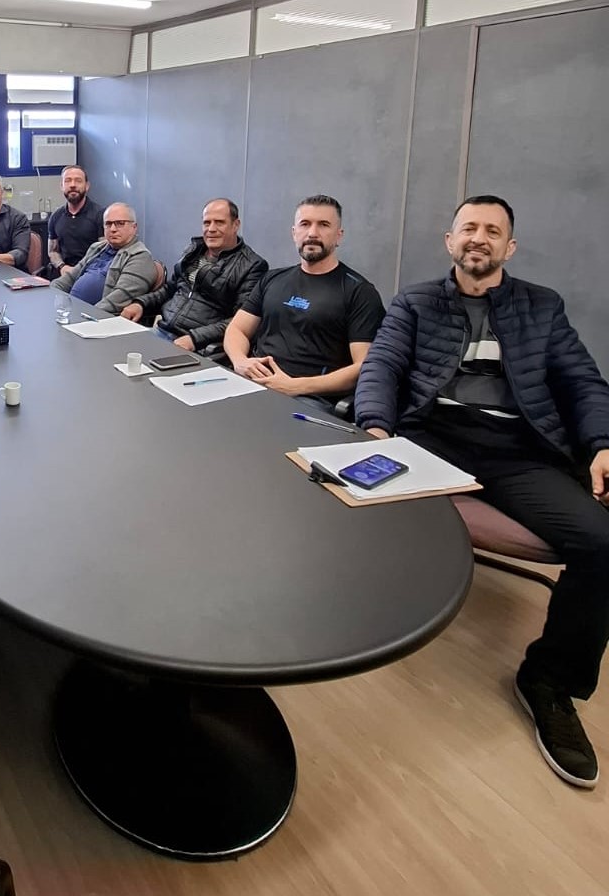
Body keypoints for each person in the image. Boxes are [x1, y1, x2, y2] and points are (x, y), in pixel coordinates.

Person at [355, 195, 609, 788]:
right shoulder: (415, 301)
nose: (479, 238)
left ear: (508, 248)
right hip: (432, 434)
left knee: (601, 541)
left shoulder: (542, 307)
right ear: (450, 241)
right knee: (341, 486)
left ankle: (548, 681)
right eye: (469, 227)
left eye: (493, 231)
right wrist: (375, 429)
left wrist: (601, 444)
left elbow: (583, 382)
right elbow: (383, 366)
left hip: (518, 449)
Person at [223, 194, 384, 402]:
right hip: (252, 382)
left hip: (309, 398)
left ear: (339, 235)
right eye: (305, 224)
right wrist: (240, 361)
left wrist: (294, 386)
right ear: (294, 232)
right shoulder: (272, 278)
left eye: (324, 225)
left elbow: (364, 367)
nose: (313, 233)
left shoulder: (360, 292)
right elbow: (237, 329)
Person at [122, 198, 268, 359]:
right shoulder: (193, 251)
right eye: (207, 223)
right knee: (114, 356)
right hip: (161, 332)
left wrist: (194, 338)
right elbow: (170, 290)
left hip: (198, 347)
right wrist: (140, 304)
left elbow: (241, 321)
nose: (211, 229)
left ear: (235, 225)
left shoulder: (252, 265)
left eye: (219, 222)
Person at [52, 203, 155, 313]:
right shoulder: (97, 248)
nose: (113, 229)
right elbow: (69, 279)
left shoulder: (140, 257)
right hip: (69, 312)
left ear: (134, 227)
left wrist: (82, 315)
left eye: (120, 223)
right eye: (108, 224)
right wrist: (49, 294)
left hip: (95, 320)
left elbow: (116, 301)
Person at [47, 165, 104, 278]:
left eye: (78, 181)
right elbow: (52, 251)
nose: (72, 185)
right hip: (64, 273)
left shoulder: (101, 215)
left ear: (87, 186)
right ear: (62, 186)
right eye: (67, 181)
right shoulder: (55, 216)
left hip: (92, 274)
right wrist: (62, 267)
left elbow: (105, 253)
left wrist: (80, 271)